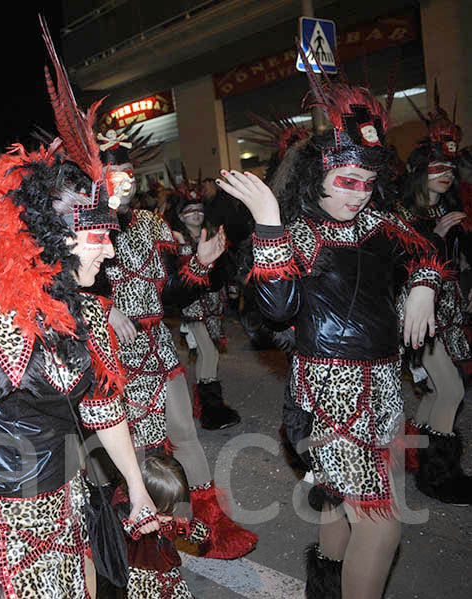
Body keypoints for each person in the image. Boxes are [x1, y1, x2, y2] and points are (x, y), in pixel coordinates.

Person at [0, 22, 157, 599]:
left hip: (69, 503)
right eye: (97, 237)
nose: (111, 249)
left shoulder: (89, 314)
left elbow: (101, 409)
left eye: (110, 234)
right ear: (55, 237)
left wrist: (138, 488)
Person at [219, 55, 442, 598]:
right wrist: (269, 223)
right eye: (346, 181)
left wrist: (423, 286)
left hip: (384, 389)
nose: (358, 193)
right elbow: (275, 309)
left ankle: (324, 584)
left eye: (368, 182)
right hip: (326, 397)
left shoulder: (378, 224)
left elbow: (426, 252)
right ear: (318, 175)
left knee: (350, 498)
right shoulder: (297, 233)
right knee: (382, 519)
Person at [97, 127, 257, 559]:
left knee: (185, 434)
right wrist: (102, 308)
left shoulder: (151, 224)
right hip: (111, 359)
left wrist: (199, 267)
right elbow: (55, 292)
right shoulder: (83, 231)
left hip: (157, 346)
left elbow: (170, 294)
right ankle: (141, 539)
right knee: (139, 452)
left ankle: (209, 524)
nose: (125, 182)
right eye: (115, 175)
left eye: (130, 173)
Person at [397, 91, 471, 505]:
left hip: (446, 314)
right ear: (419, 172)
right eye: (435, 167)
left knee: (436, 391)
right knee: (451, 390)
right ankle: (439, 473)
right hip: (418, 318)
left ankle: (421, 459)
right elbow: (406, 267)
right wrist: (438, 236)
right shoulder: (406, 217)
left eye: (449, 166)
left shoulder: (445, 208)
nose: (444, 173)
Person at [171, 175, 242, 430]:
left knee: (208, 352)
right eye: (189, 211)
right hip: (192, 305)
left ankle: (207, 408)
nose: (195, 215)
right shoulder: (175, 240)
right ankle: (212, 409)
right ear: (181, 216)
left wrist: (230, 284)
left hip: (214, 302)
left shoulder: (212, 233)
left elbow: (224, 265)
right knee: (209, 352)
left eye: (199, 210)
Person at [113, 453, 210, 599]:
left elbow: (191, 531)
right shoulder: (127, 509)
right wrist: (142, 522)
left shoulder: (172, 517)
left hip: (167, 569)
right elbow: (124, 524)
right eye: (166, 510)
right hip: (139, 577)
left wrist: (190, 529)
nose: (171, 514)